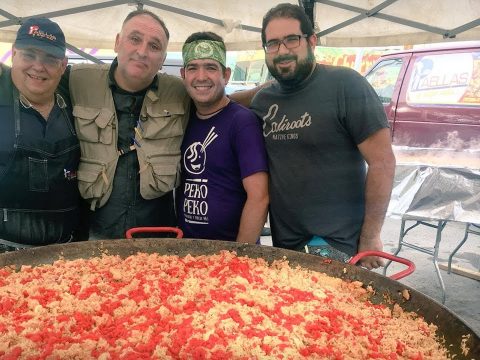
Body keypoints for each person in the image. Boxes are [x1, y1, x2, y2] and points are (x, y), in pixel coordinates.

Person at [250, 3, 396, 269]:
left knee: (329, 309)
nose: (282, 51)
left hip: (339, 243)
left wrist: (372, 235)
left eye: (291, 39)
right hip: (286, 244)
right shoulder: (262, 100)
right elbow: (231, 104)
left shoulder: (346, 85)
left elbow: (383, 162)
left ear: (312, 41)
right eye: (272, 43)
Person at [66, 10, 191, 239]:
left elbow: (219, 102)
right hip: (92, 239)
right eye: (135, 39)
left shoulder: (181, 92)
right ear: (117, 42)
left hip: (157, 242)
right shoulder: (78, 79)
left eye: (154, 46)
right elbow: (31, 80)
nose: (142, 51)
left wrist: (265, 94)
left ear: (163, 59)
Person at [178, 32, 269, 243]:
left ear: (226, 75)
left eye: (211, 67)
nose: (201, 77)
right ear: (183, 74)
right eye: (193, 68)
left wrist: (239, 257)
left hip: (230, 255)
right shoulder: (182, 118)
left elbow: (260, 197)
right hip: (186, 252)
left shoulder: (242, 122)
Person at [0, 18, 80, 250]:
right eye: (29, 55)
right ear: (13, 53)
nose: (38, 66)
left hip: (66, 253)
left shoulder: (75, 102)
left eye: (50, 59)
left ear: (63, 65)